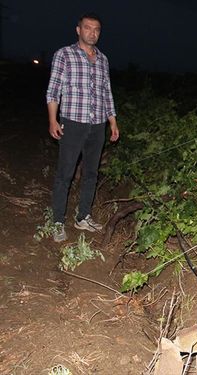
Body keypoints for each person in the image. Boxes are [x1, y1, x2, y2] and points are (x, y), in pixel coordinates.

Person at [46, 12, 120, 242]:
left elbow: (106, 93)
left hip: (97, 125)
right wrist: (53, 120)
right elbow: (53, 89)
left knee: (91, 173)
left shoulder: (103, 59)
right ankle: (58, 220)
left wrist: (113, 122)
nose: (92, 32)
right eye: (88, 28)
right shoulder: (64, 55)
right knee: (65, 173)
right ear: (78, 30)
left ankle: (83, 217)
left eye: (96, 29)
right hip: (73, 122)